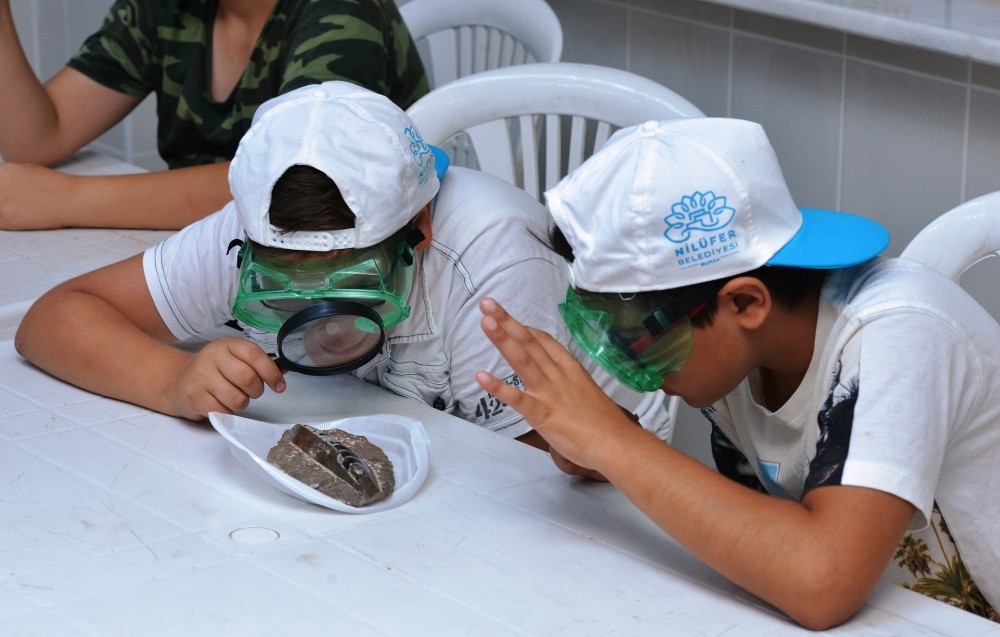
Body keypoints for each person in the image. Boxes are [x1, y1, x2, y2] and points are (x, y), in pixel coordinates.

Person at [473, 118, 1000, 628]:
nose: (633, 368)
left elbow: (822, 583)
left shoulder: (899, 333)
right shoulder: (740, 351)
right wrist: (604, 451)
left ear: (745, 302)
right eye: (606, 331)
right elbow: (760, 536)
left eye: (643, 339)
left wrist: (614, 444)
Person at [14, 80, 671, 451]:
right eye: (278, 287)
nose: (317, 319)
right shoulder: (258, 229)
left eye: (350, 284)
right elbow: (53, 319)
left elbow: (536, 477)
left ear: (419, 229)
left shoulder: (492, 270)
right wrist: (173, 377)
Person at [0, 0, 427, 230]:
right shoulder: (165, 8)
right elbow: (35, 138)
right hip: (220, 258)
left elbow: (290, 184)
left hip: (344, 282)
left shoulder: (342, 12)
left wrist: (64, 199)